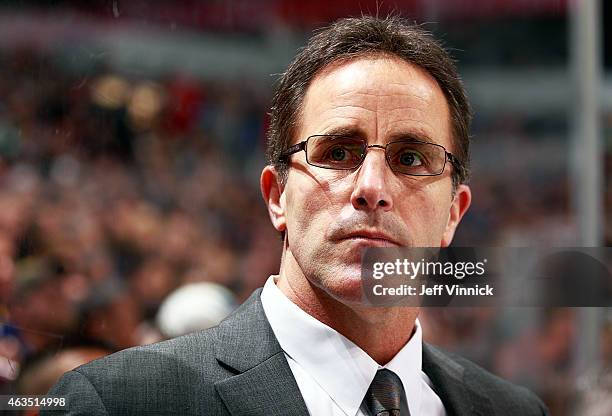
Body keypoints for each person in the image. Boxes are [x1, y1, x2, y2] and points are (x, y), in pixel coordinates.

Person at [45, 16, 549, 415]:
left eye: (411, 159)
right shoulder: (119, 401)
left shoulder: (514, 409)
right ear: (276, 196)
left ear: (453, 216)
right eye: (338, 153)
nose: (372, 188)